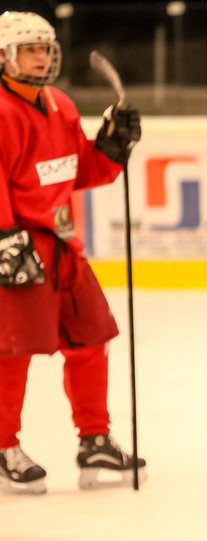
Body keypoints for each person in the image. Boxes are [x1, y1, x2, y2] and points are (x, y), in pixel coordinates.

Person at [0, 11, 144, 494]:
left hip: (63, 245)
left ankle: (94, 438)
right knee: (12, 350)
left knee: (90, 337)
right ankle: (3, 445)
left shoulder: (59, 105)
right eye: (29, 49)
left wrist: (110, 147)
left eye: (44, 48)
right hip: (20, 244)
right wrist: (3, 238)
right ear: (4, 57)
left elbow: (76, 170)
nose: (40, 57)